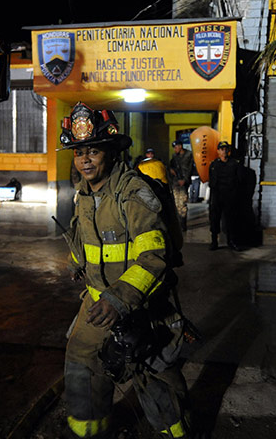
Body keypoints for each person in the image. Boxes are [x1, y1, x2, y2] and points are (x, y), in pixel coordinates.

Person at [59, 102, 190, 439]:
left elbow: (154, 258)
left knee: (153, 376)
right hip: (98, 303)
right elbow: (85, 240)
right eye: (78, 153)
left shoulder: (133, 194)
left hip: (142, 307)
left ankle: (177, 434)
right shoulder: (85, 195)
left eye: (93, 151)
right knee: (81, 359)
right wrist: (76, 265)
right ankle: (89, 431)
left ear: (112, 152)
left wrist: (119, 301)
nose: (85, 159)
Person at [208, 141, 243, 251]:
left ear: (228, 151)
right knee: (214, 219)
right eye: (221, 149)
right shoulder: (214, 165)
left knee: (231, 220)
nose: (224, 151)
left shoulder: (234, 164)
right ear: (218, 151)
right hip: (217, 196)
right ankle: (214, 242)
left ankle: (231, 242)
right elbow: (211, 181)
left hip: (230, 196)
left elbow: (240, 180)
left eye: (225, 149)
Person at [169, 140, 194, 231]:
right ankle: (178, 223)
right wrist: (171, 171)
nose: (175, 149)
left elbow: (190, 169)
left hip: (184, 182)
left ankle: (183, 223)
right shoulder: (174, 156)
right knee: (176, 203)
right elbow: (171, 166)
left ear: (180, 146)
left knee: (182, 203)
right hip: (176, 181)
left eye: (176, 147)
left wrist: (185, 180)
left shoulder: (189, 155)